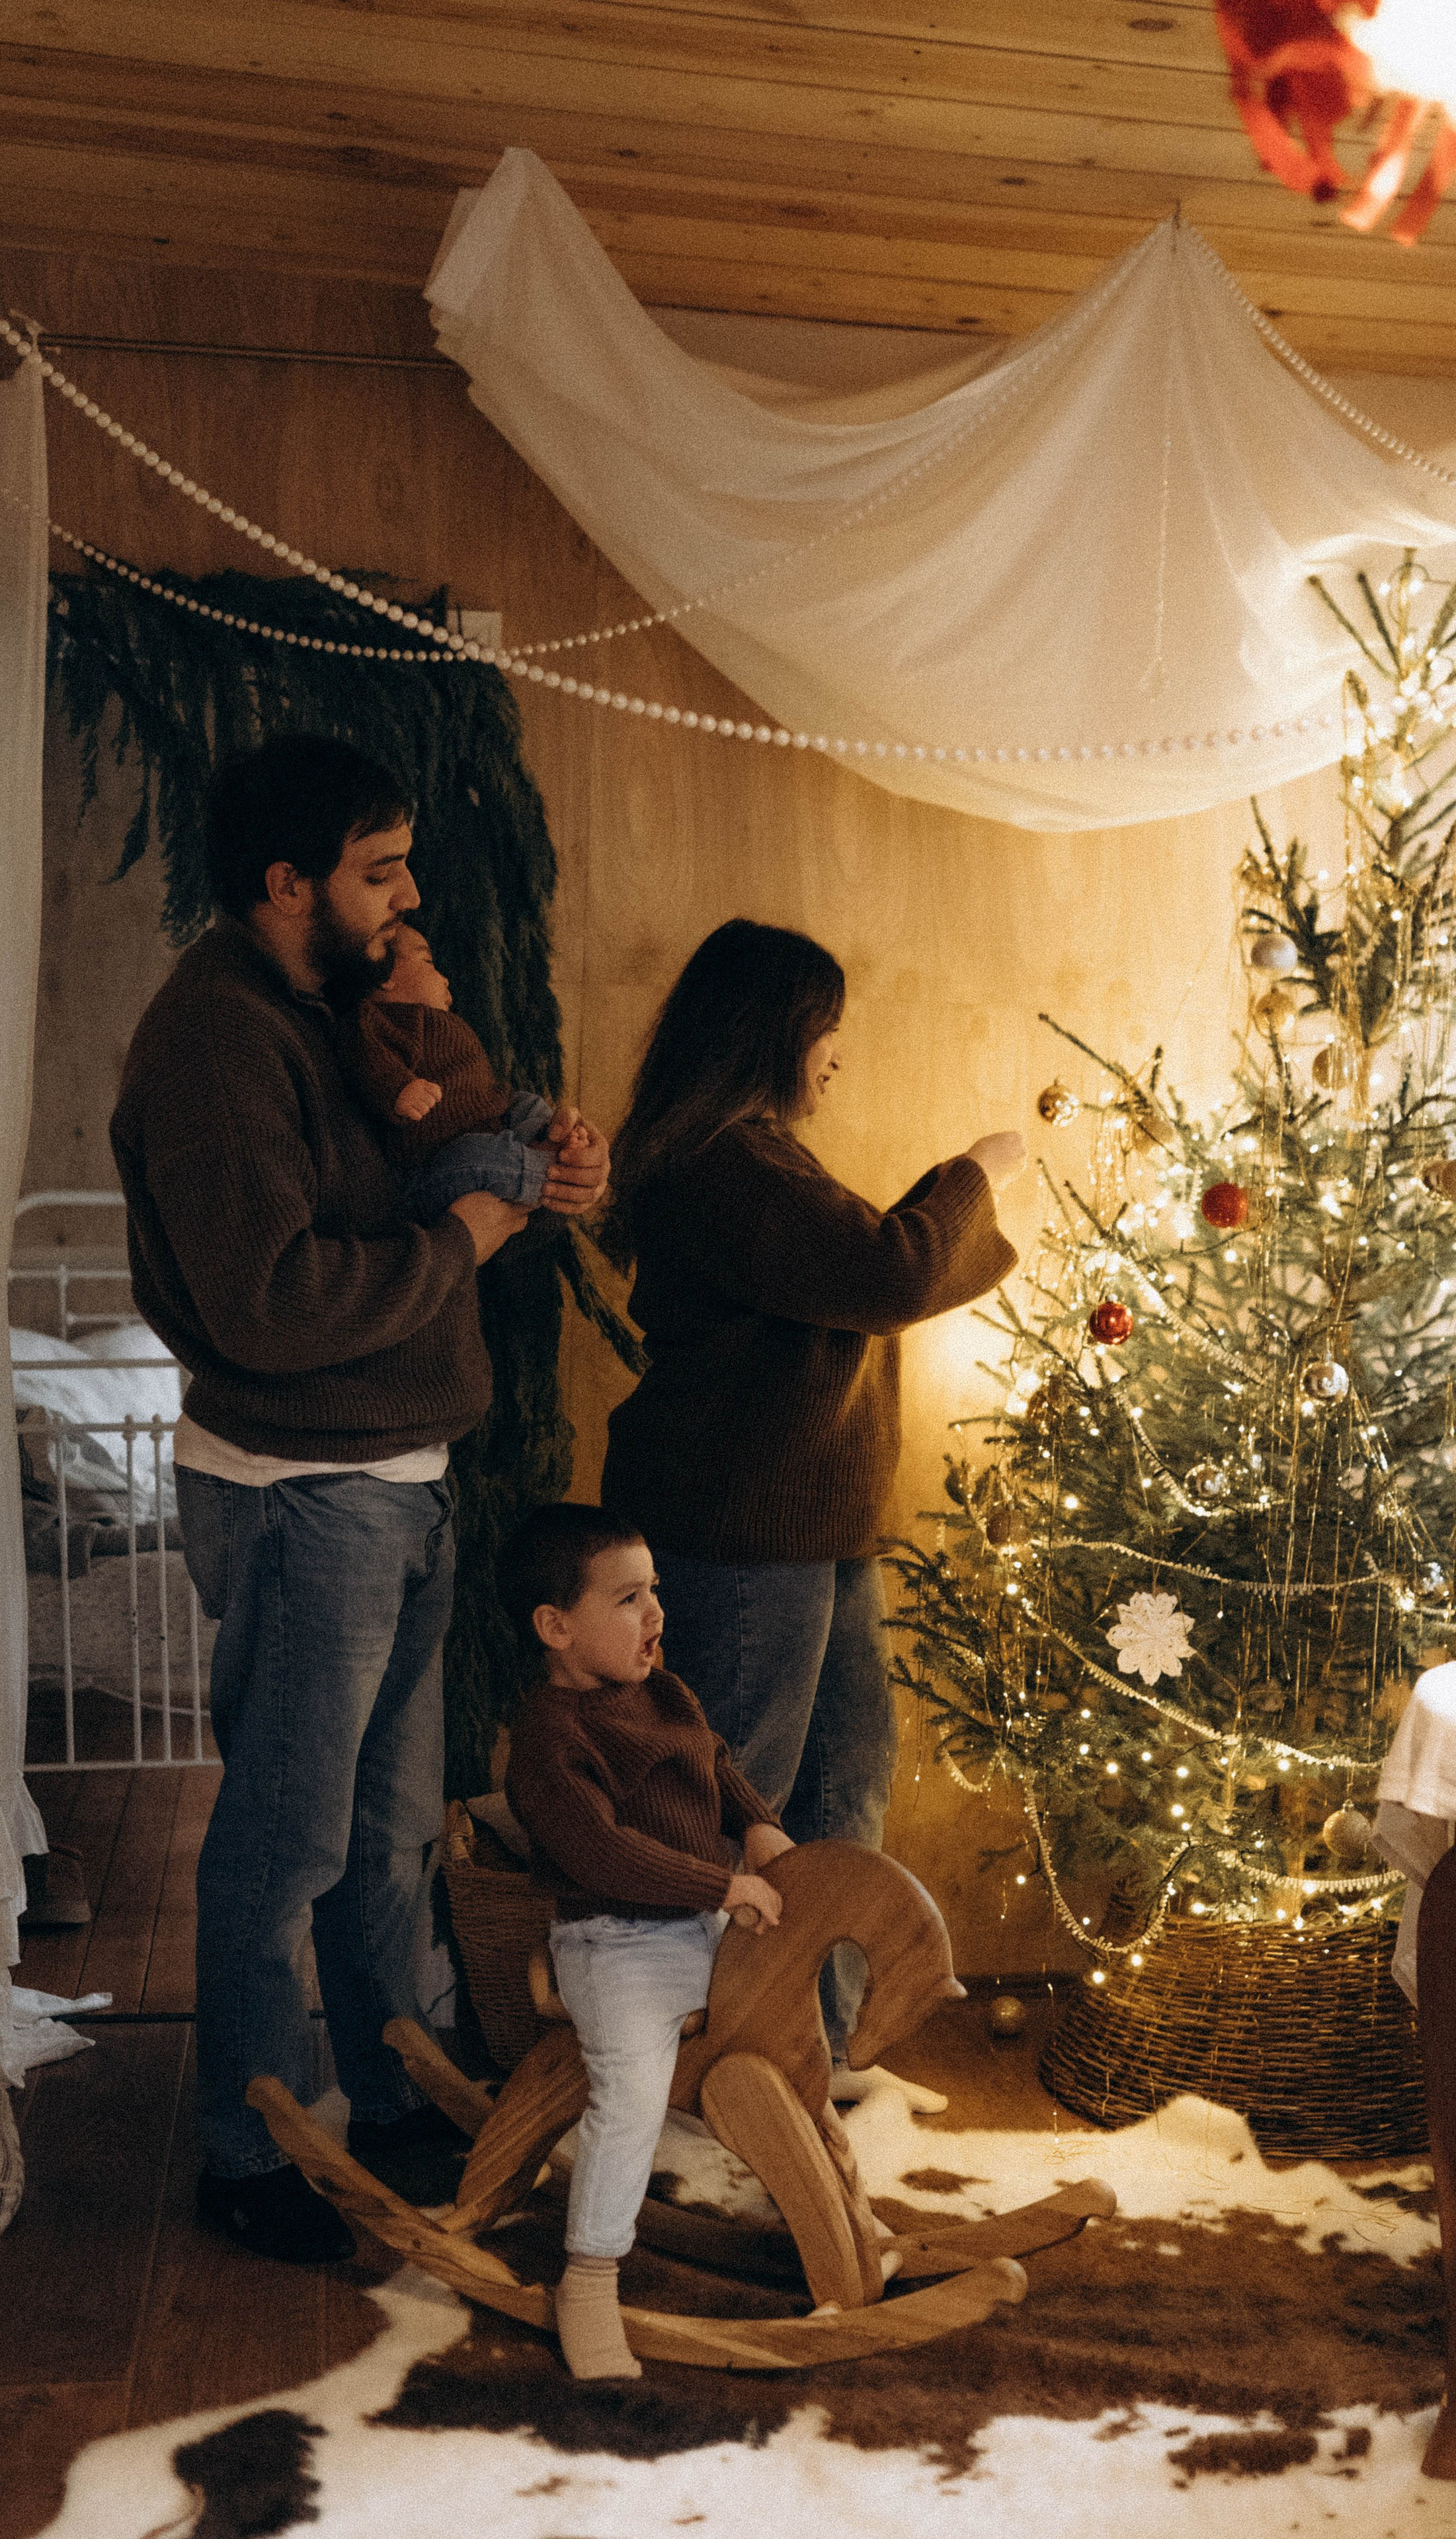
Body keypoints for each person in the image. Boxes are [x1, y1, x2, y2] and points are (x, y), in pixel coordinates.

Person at [108, 733, 610, 2265]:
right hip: (295, 1495)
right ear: (286, 883)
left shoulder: (337, 1005)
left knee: (387, 1832)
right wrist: (470, 1231)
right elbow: (268, 1301)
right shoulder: (212, 1038)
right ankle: (252, 2148)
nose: (407, 898)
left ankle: (392, 2084)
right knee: (286, 1838)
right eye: (377, 871)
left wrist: (535, 1148)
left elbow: (418, 1145)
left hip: (397, 1481)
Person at [599, 917, 1023, 2061]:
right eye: (825, 1030)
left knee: (842, 1788)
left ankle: (814, 2058)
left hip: (812, 1532)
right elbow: (890, 1268)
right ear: (773, 1033)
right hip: (743, 1537)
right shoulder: (722, 1161)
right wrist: (979, 1171)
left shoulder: (755, 1153)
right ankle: (699, 2067)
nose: (836, 1053)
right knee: (746, 1815)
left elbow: (863, 1273)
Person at [501, 1501, 792, 2381]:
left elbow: (715, 1760)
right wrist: (721, 1883)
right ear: (556, 1626)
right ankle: (589, 2278)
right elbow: (601, 1851)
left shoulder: (664, 1691)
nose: (656, 1615)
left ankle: (833, 2209)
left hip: (697, 1922)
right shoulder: (550, 1739)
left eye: (654, 1590)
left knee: (787, 2036)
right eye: (628, 1599)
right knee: (631, 2094)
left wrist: (756, 1826)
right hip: (611, 1940)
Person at [340, 921, 588, 1222]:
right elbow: (362, 1056)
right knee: (481, 1154)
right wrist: (398, 1088)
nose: (444, 979)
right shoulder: (376, 1019)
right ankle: (553, 1171)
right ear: (385, 974)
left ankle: (545, 1137)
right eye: (428, 962)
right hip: (435, 1162)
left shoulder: (444, 1022)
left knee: (528, 1103)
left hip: (491, 1121)